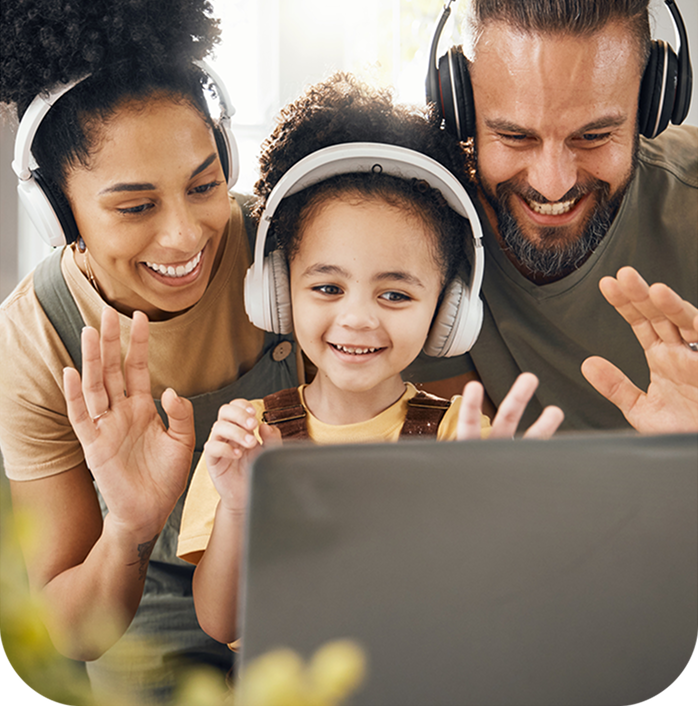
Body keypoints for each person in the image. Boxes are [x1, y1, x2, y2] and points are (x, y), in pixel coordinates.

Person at [0, 0, 298, 702]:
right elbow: (74, 630)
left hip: (305, 570)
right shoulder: (33, 339)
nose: (185, 235)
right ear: (58, 213)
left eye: (204, 185)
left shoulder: (292, 246)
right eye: (134, 206)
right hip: (150, 611)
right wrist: (129, 527)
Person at [175, 72, 565, 646]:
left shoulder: (465, 440)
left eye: (396, 294)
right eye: (328, 288)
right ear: (277, 291)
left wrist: (497, 516)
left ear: (449, 310)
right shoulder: (244, 441)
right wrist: (239, 507)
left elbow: (491, 611)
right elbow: (221, 622)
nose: (358, 318)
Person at [414, 0, 698, 432]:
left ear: (654, 104)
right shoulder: (416, 223)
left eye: (593, 137)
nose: (552, 183)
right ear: (460, 108)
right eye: (515, 137)